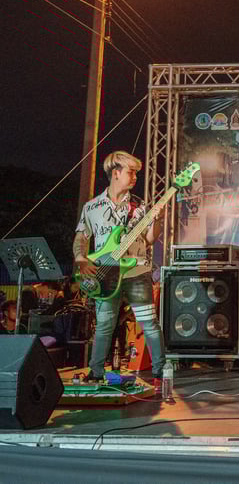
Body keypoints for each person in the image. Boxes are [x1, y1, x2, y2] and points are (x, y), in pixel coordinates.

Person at [73, 151, 166, 393]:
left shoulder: (140, 206)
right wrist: (81, 259)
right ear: (116, 173)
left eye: (136, 172)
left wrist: (157, 220)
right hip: (105, 275)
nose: (135, 177)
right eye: (130, 172)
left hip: (137, 272)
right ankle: (95, 372)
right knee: (104, 325)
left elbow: (149, 240)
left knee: (148, 323)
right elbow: (81, 237)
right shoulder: (92, 207)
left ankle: (159, 373)